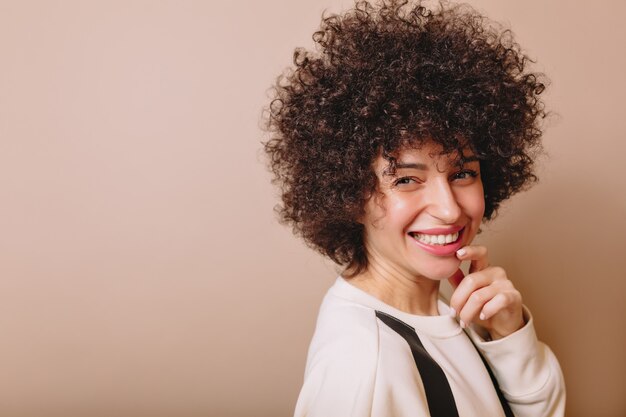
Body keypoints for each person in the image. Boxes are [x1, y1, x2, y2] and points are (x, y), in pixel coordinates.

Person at [263, 0, 566, 416]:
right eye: (406, 179)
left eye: (462, 173)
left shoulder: (443, 312)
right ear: (350, 195)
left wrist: (507, 337)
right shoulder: (365, 367)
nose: (448, 209)